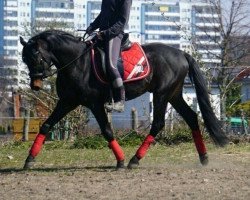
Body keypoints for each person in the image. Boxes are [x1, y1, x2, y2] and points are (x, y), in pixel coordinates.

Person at [86, 0, 132, 112]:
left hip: (115, 34)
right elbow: (104, 14)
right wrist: (92, 26)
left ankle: (120, 101)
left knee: (111, 65)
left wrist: (105, 33)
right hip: (102, 34)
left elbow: (122, 22)